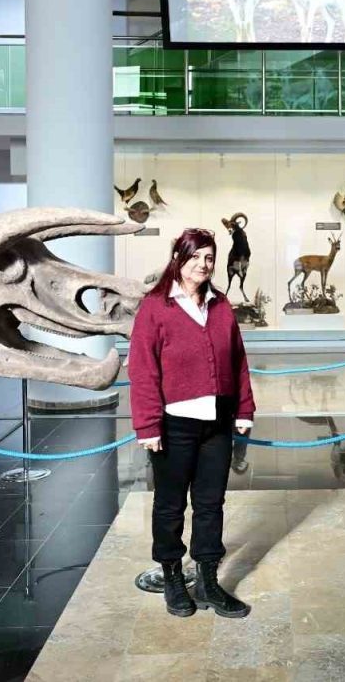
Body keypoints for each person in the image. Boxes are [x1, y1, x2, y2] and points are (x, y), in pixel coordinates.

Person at [128, 228, 256, 619]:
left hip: (217, 424)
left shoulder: (221, 305)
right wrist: (147, 426)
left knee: (210, 504)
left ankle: (207, 580)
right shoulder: (155, 307)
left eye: (209, 257)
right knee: (170, 506)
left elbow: (238, 361)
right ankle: (172, 577)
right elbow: (143, 369)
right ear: (178, 259)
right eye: (195, 256)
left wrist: (244, 409)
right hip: (173, 426)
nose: (203, 264)